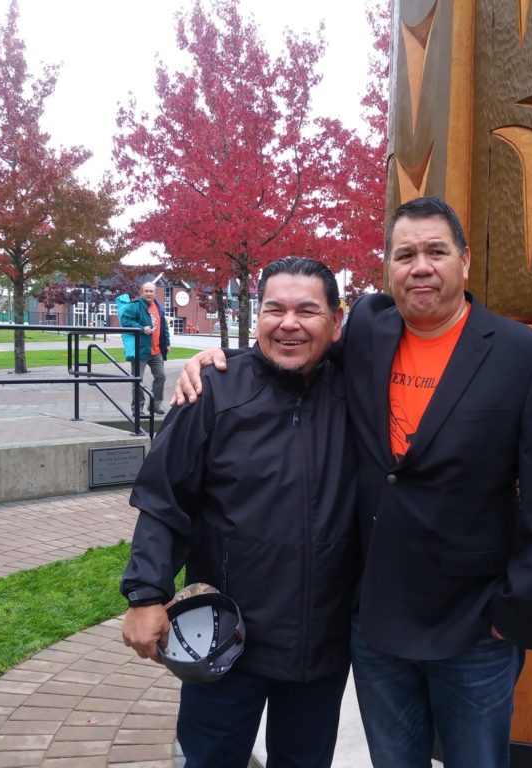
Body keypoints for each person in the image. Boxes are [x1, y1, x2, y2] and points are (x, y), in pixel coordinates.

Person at [173, 196, 532, 768]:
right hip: (377, 627)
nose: (421, 266)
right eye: (405, 253)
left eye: (436, 251)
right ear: (388, 267)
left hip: (472, 627)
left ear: (464, 262)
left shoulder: (529, 359)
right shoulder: (367, 327)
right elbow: (295, 341)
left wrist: (514, 612)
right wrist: (219, 365)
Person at [120, 257, 358, 768]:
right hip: (226, 640)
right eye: (274, 309)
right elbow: (165, 499)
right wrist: (146, 594)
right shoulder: (213, 390)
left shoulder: (358, 392)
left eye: (308, 310)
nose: (288, 323)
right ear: (257, 318)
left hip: (322, 643)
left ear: (336, 322)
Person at [119, 281, 170, 414]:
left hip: (156, 350)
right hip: (140, 350)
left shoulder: (159, 307)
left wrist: (167, 343)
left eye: (151, 291)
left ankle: (155, 405)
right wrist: (141, 329)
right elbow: (125, 321)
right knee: (137, 380)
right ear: (142, 292)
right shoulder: (135, 306)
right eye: (146, 291)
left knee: (161, 377)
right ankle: (138, 408)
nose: (148, 293)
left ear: (155, 293)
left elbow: (164, 327)